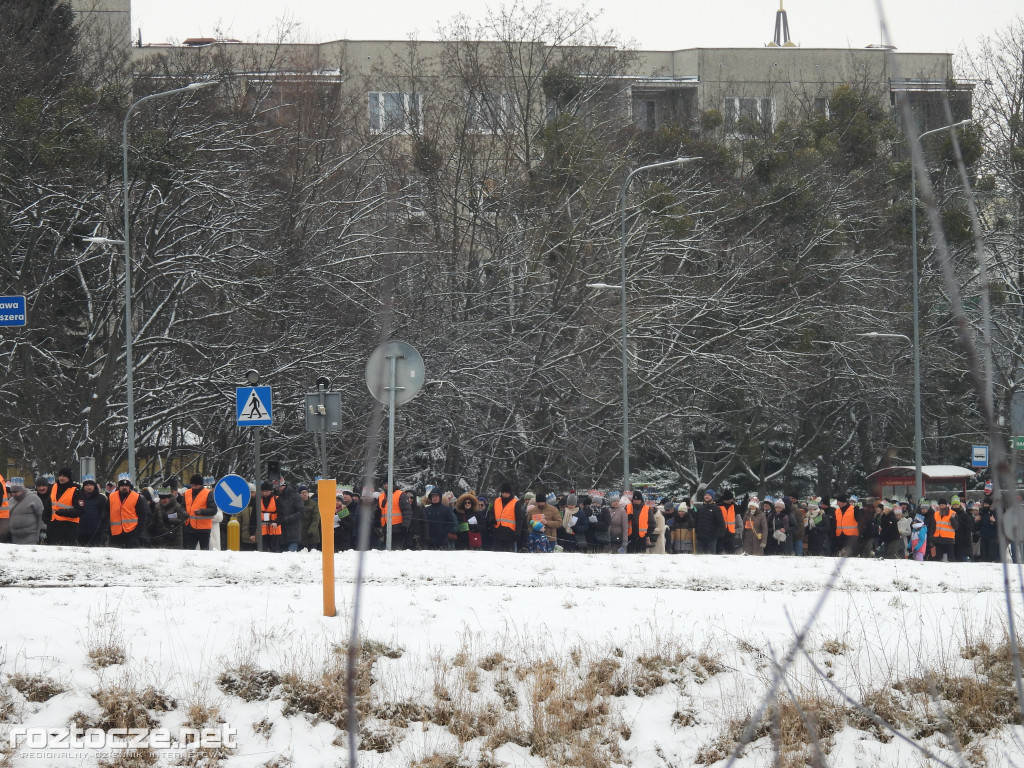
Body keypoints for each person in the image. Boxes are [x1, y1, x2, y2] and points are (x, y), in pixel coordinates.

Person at [109, 474, 149, 548]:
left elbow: (142, 515)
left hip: (132, 533)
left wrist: (137, 531)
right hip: (116, 533)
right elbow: (107, 514)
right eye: (122, 486)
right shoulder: (111, 497)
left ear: (129, 486)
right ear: (119, 486)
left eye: (127, 485)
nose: (124, 487)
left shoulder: (136, 497)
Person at [48, 467, 84, 546]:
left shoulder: (76, 491)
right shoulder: (54, 487)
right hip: (54, 524)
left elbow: (80, 510)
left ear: (69, 478)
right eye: (60, 476)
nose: (61, 478)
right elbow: (48, 504)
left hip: (69, 526)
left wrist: (63, 512)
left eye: (64, 476)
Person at [181, 474, 217, 551]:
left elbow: (213, 510)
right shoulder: (187, 493)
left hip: (204, 529)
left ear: (200, 485)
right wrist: (183, 512)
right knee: (189, 551)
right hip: (190, 527)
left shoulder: (208, 493)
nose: (193, 487)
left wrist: (202, 511)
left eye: (195, 485)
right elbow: (182, 506)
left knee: (204, 551)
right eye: (192, 485)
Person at [7, 477, 44, 545]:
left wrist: (39, 534)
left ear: (22, 490)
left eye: (16, 492)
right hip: (15, 538)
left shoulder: (34, 498)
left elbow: (41, 517)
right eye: (12, 492)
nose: (14, 494)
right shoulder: (10, 501)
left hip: (30, 538)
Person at [489, 483, 523, 553]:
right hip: (497, 532)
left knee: (509, 556)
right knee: (496, 554)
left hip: (510, 534)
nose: (505, 494)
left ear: (510, 493)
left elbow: (519, 519)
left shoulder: (516, 503)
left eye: (507, 493)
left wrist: (517, 533)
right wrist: (492, 519)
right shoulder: (496, 501)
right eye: (503, 492)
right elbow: (492, 512)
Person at [249, 481, 282, 552]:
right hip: (262, 532)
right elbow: (253, 518)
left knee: (275, 553)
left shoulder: (277, 500)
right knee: (263, 553)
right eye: (263, 491)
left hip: (274, 532)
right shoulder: (258, 501)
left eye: (266, 491)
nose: (264, 493)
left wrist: (276, 522)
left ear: (270, 491)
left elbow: (282, 514)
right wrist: (252, 533)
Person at [77, 476, 109, 547]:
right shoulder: (78, 496)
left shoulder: (101, 498)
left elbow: (104, 515)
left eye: (91, 485)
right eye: (87, 485)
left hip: (96, 531)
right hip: (80, 531)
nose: (89, 487)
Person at [693, 490, 725, 555]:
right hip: (700, 538)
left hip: (711, 539)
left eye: (709, 495)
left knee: (711, 559)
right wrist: (696, 531)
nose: (706, 496)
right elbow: (696, 521)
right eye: (705, 495)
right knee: (699, 558)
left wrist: (718, 535)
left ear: (712, 497)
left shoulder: (716, 509)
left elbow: (721, 523)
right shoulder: (700, 508)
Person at [931, 498, 958, 562]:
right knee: (938, 559)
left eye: (942, 505)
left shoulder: (953, 513)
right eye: (940, 505)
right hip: (938, 540)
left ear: (946, 505)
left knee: (950, 559)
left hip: (949, 540)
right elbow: (933, 527)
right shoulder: (936, 514)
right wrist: (932, 537)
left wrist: (952, 519)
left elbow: (956, 527)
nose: (941, 507)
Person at [952, 495, 974, 562]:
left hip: (963, 542)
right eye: (954, 504)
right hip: (953, 541)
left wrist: (967, 542)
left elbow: (968, 529)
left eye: (957, 504)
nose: (955, 506)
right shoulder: (949, 514)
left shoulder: (964, 515)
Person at [299, 485, 321, 550]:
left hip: (312, 535)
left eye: (306, 492)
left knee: (313, 554)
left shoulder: (314, 504)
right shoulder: (297, 504)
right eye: (302, 493)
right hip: (301, 535)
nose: (304, 494)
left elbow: (316, 518)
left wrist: (312, 530)